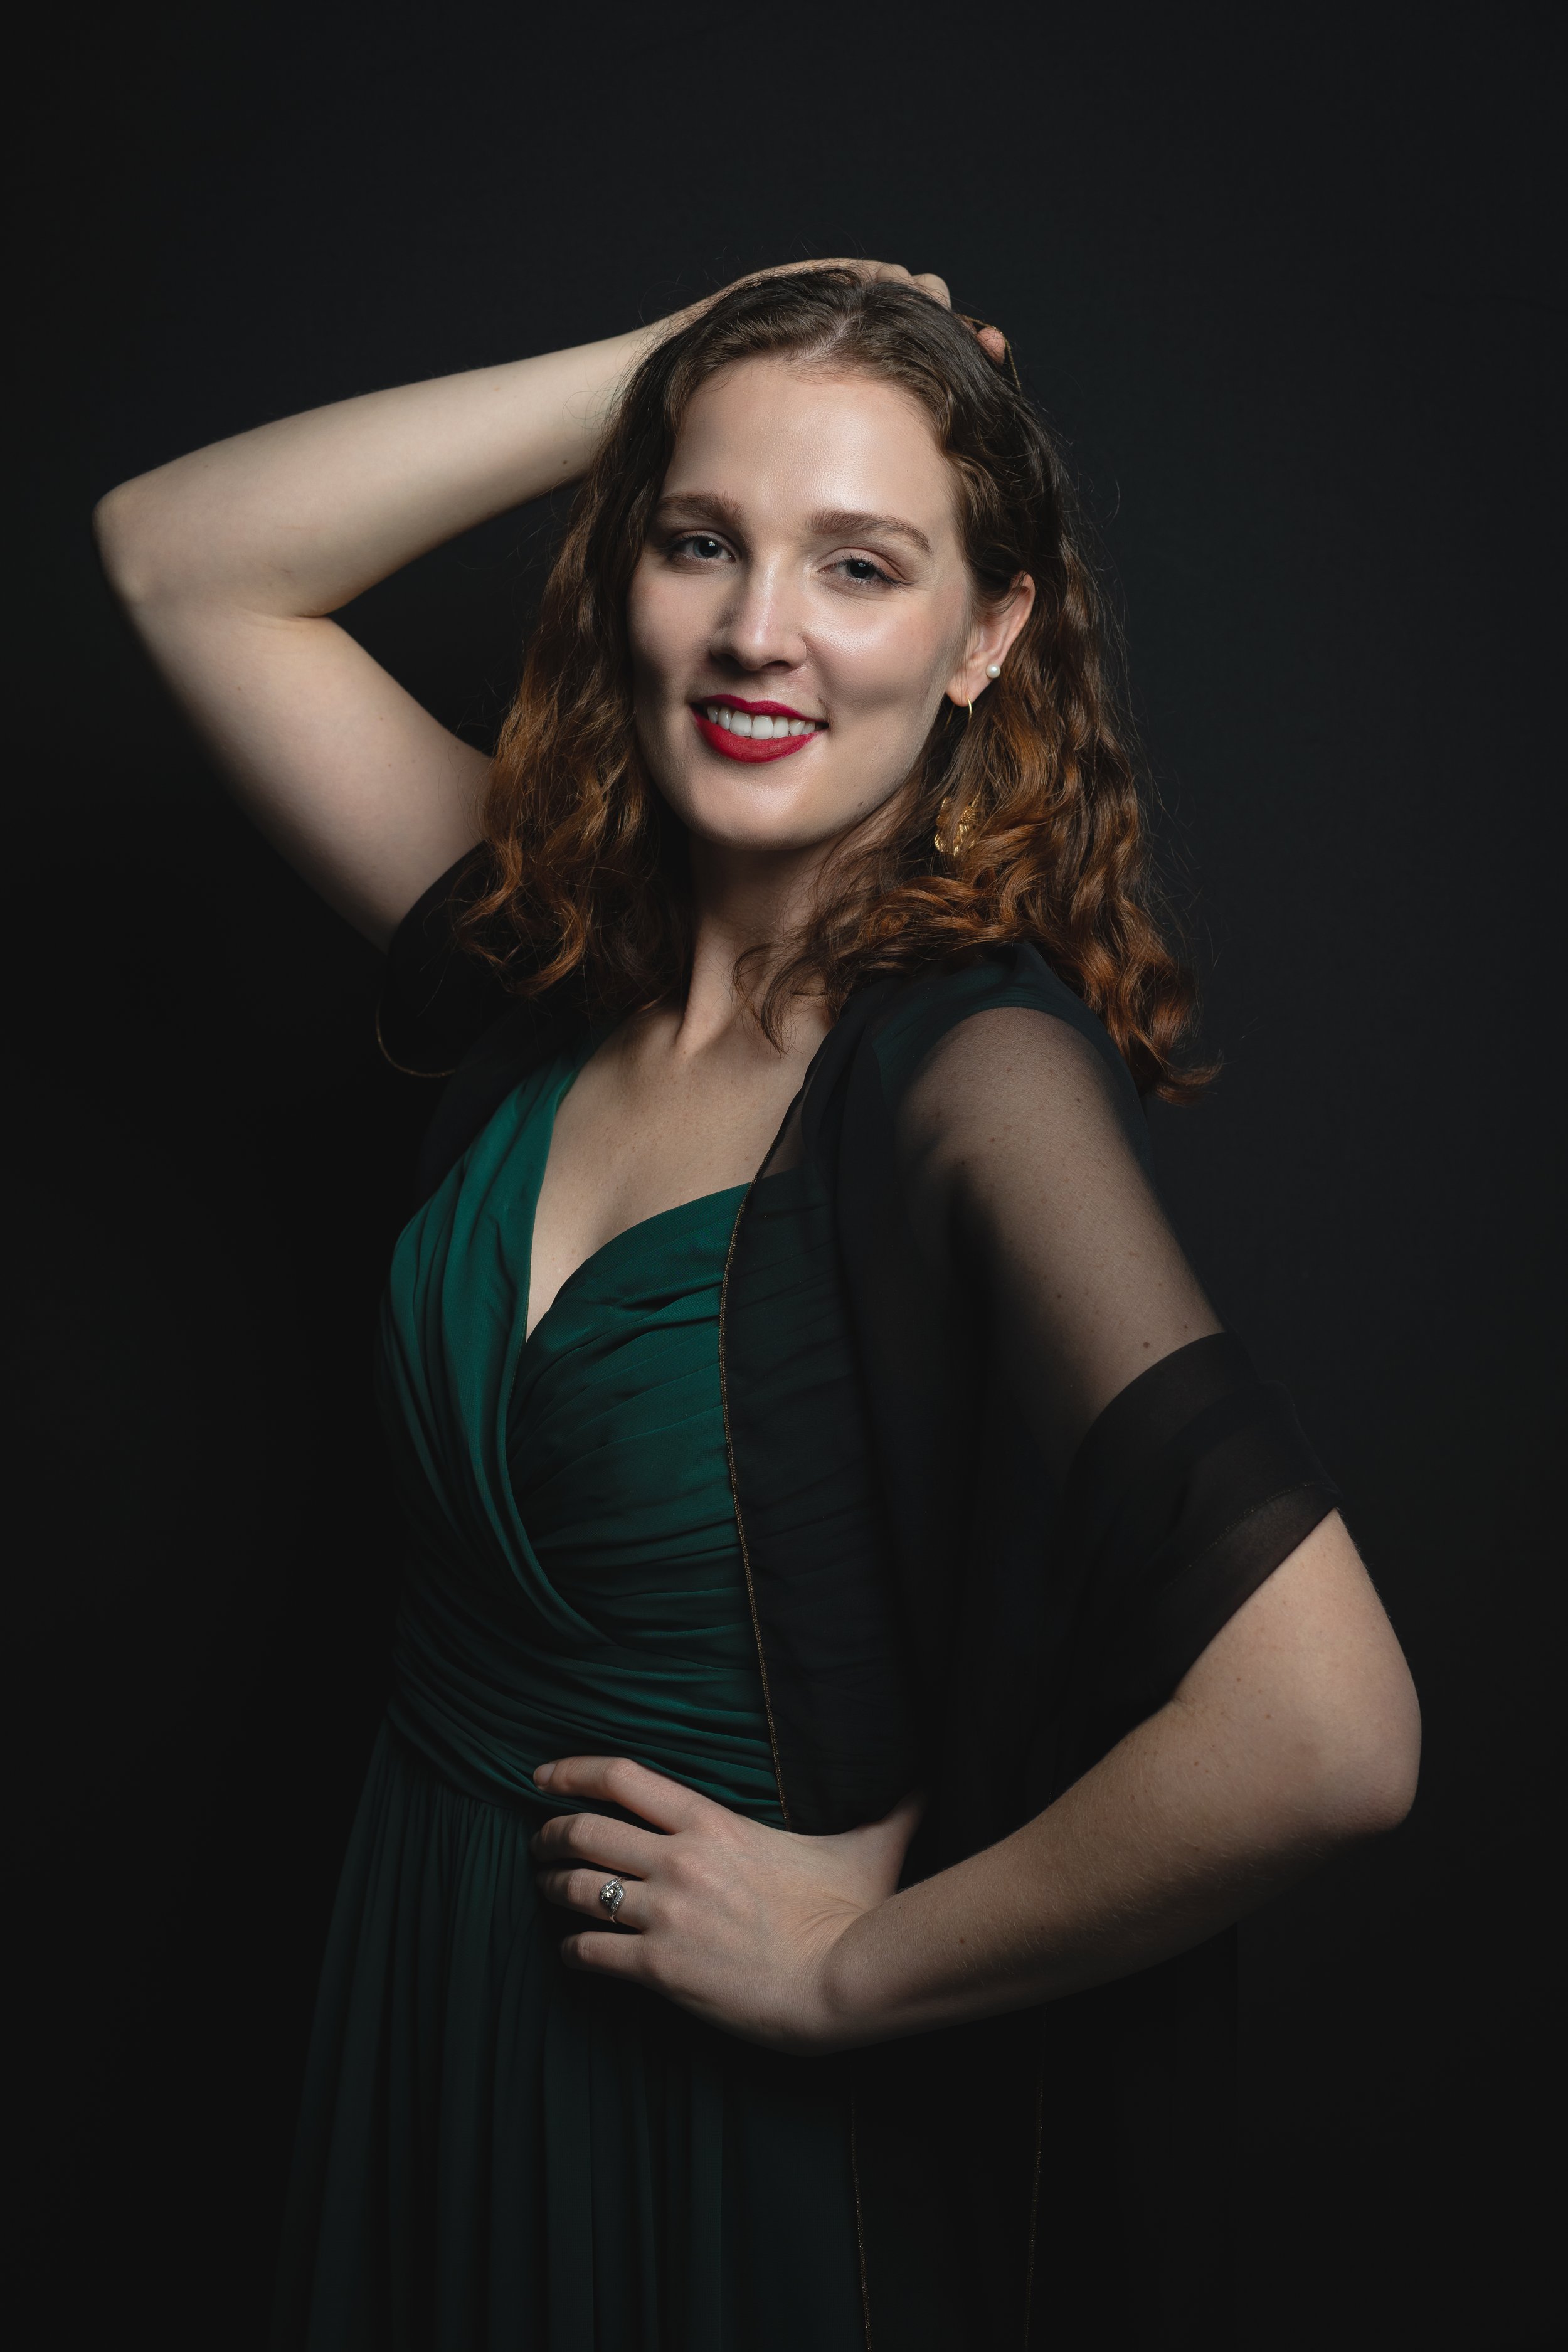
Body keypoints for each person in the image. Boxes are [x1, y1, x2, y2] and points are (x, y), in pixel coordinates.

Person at [95, 260, 1421, 2351]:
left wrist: (840, 1967)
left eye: (861, 568)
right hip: (427, 1962)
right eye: (700, 538)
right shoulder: (555, 952)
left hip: (721, 2105)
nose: (755, 632)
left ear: (987, 639)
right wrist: (687, 353)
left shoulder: (969, 1082)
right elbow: (177, 556)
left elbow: (1329, 1733)